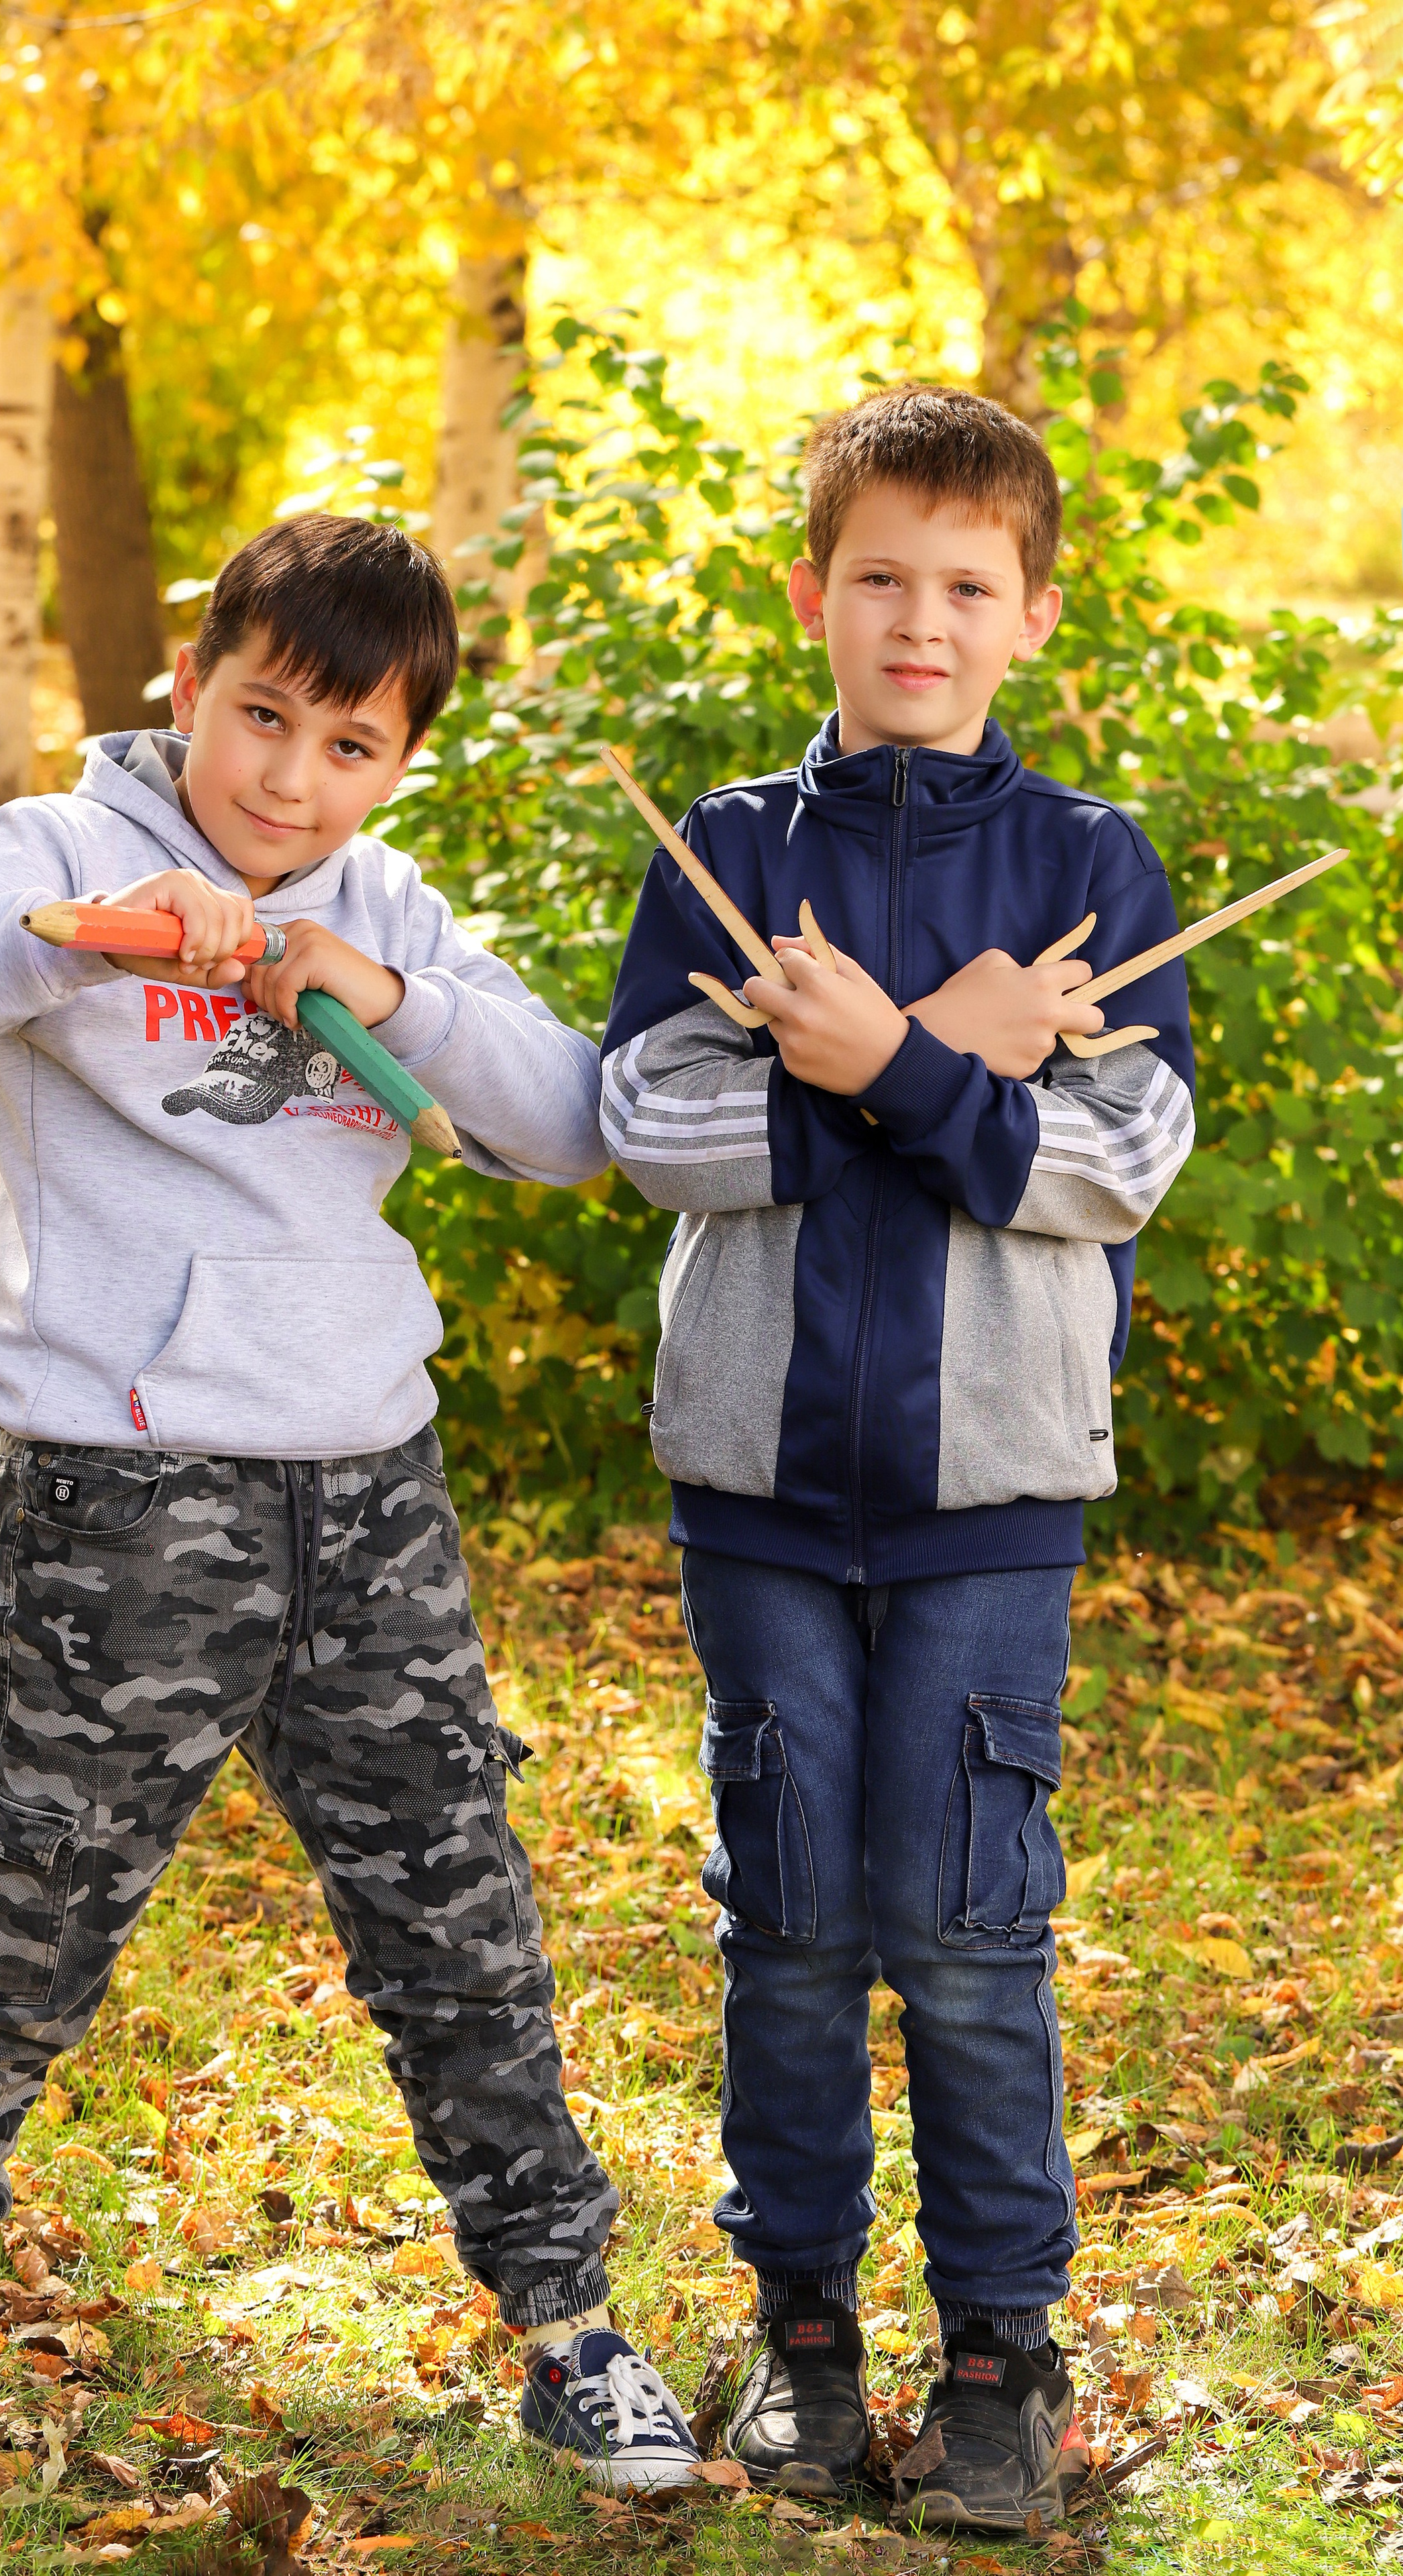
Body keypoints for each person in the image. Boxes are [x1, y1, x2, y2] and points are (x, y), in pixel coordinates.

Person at [0, 513, 701, 2493]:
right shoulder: (59, 848)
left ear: (400, 763)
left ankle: (571, 2330)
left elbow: (568, 1125)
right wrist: (73, 936)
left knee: (456, 1915)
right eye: (263, 717)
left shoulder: (390, 903)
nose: (290, 779)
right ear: (190, 688)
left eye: (349, 745)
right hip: (125, 1497)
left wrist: (389, 988)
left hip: (368, 1489)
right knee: (30, 1900)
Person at [598, 386, 1195, 2533]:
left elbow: (1116, 1163)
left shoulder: (1089, 868)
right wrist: (932, 1054)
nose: (918, 620)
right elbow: (649, 1125)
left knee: (962, 1931)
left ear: (1033, 613)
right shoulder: (729, 850)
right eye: (879, 578)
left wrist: (893, 1071)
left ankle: (1001, 2357)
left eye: (965, 584)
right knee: (786, 1925)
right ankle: (803, 2336)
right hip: (759, 1490)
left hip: (990, 1498)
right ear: (813, 597)